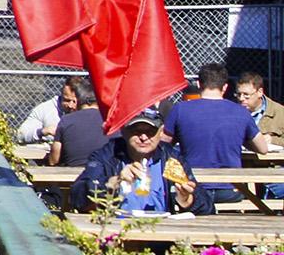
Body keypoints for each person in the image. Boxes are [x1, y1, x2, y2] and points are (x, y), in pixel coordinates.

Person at [73, 114, 215, 216]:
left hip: (162, 236)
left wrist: (187, 200)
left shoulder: (171, 158)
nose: (143, 137)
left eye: (150, 131)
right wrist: (113, 183)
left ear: (161, 132)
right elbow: (77, 198)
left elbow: (208, 207)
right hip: (117, 234)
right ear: (123, 130)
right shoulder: (107, 156)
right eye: (136, 131)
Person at [165, 64, 267, 204]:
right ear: (225, 87)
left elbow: (163, 145)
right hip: (231, 190)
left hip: (192, 189)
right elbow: (263, 148)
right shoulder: (241, 112)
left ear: (199, 84)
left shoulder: (180, 109)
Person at [46, 78, 105, 167]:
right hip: (107, 174)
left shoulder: (66, 120)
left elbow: (53, 160)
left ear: (78, 100)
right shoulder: (112, 121)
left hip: (74, 177)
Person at [17, 75, 85, 144]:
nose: (70, 105)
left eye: (74, 101)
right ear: (61, 95)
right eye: (66, 100)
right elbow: (20, 135)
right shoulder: (45, 109)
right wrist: (43, 131)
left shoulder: (89, 111)